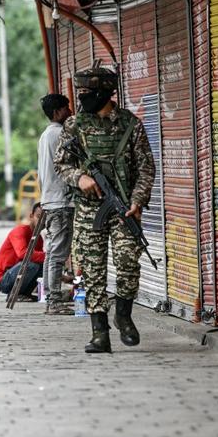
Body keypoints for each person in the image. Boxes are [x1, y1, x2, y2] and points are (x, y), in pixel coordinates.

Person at [53, 66, 155, 353]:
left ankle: (123, 315)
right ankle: (100, 332)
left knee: (127, 263)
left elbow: (146, 168)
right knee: (93, 270)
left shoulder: (129, 124)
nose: (81, 98)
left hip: (124, 210)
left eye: (86, 93)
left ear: (105, 93)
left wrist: (137, 201)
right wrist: (81, 178)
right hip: (88, 210)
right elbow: (61, 164)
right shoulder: (74, 125)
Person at [36, 93, 74, 315]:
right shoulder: (61, 134)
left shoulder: (45, 135)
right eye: (66, 108)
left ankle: (51, 295)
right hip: (60, 200)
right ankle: (54, 301)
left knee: (52, 251)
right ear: (57, 112)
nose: (69, 112)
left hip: (50, 200)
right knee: (58, 252)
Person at [0, 203, 45, 300]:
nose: (43, 221)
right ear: (31, 216)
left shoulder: (39, 238)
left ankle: (23, 294)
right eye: (39, 217)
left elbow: (41, 259)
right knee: (31, 264)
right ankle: (14, 294)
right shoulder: (19, 231)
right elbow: (22, 254)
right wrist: (49, 256)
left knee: (42, 265)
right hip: (4, 280)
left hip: (18, 275)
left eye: (46, 219)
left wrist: (63, 277)